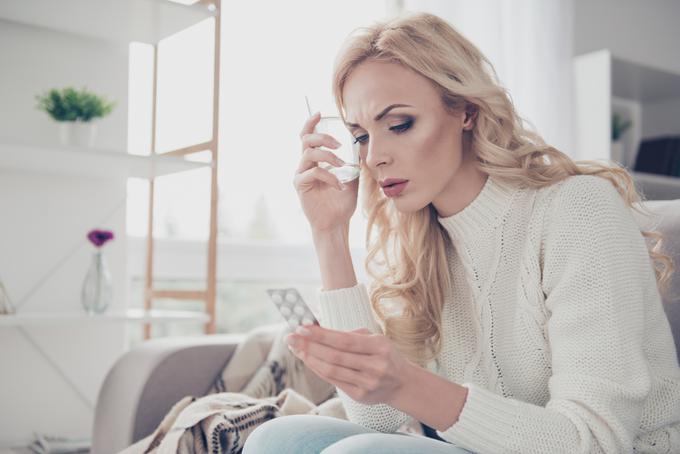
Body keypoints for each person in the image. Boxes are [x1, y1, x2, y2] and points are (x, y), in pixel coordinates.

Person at [243, 11, 680, 454]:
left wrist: (407, 382)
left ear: (465, 111)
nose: (375, 157)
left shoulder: (578, 209)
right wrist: (329, 233)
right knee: (277, 438)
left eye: (399, 125)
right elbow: (381, 417)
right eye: (360, 136)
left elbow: (595, 442)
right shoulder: (420, 242)